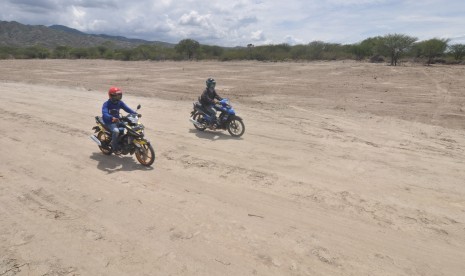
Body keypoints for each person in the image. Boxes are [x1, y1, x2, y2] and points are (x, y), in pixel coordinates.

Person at [102, 86, 137, 154]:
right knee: (116, 131)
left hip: (117, 120)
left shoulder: (119, 102)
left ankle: (125, 141)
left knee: (129, 126)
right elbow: (105, 113)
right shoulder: (106, 104)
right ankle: (114, 147)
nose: (117, 98)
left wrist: (135, 113)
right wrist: (111, 117)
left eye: (119, 96)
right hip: (109, 122)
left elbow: (127, 108)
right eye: (116, 96)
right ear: (111, 96)